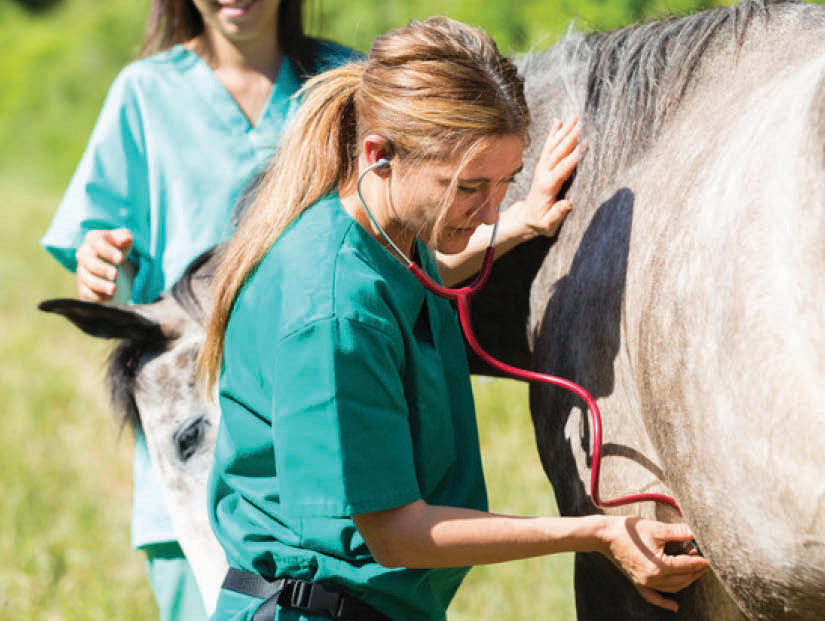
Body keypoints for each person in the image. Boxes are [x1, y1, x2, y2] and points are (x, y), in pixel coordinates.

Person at [199, 16, 710, 621]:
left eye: (504, 182)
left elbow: (423, 272)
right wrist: (595, 534)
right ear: (378, 155)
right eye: (469, 187)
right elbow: (397, 534)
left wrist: (519, 220)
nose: (488, 207)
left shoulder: (373, 234)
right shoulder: (333, 316)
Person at [40, 2, 359, 619]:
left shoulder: (344, 80)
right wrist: (100, 260)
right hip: (195, 447)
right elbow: (107, 258)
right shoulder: (145, 93)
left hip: (322, 424)